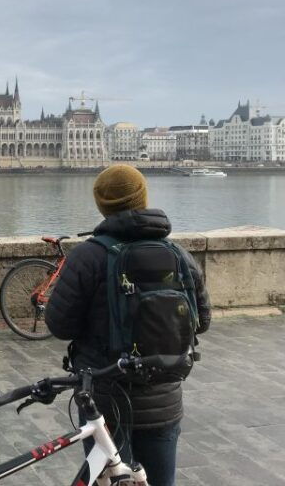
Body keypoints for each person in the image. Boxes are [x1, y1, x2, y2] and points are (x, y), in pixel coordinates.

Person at [45, 164, 211, 486]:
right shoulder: (178, 255)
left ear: (102, 205)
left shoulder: (88, 257)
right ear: (143, 197)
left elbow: (59, 324)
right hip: (163, 396)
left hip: (105, 398)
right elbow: (201, 322)